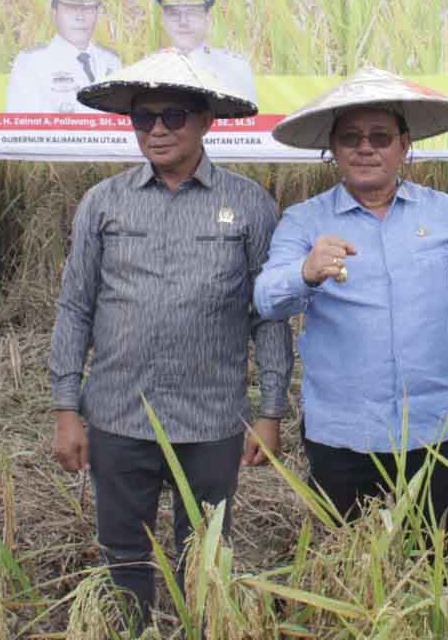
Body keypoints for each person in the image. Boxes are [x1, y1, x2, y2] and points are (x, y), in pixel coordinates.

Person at [51, 50, 290, 626]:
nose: (157, 130)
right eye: (144, 118)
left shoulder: (249, 203)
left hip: (210, 420)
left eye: (173, 116)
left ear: (206, 121)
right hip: (118, 413)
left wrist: (271, 411)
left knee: (204, 556)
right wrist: (65, 408)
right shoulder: (104, 202)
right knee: (123, 553)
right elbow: (76, 306)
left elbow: (269, 315)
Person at [254, 67, 448, 544]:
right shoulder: (305, 221)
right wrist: (305, 272)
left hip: (436, 428)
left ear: (404, 145)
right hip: (342, 433)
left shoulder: (445, 213)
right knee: (344, 562)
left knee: (446, 561)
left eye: (380, 137)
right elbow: (266, 299)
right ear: (333, 149)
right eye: (351, 138)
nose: (365, 148)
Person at [5, 0, 121, 113]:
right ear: (54, 12)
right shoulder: (32, 62)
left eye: (88, 8)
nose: (80, 17)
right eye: (71, 8)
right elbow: (21, 122)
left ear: (97, 12)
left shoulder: (111, 61)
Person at [154, 0, 257, 102]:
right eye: (174, 13)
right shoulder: (149, 68)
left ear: (208, 18)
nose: (183, 21)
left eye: (192, 13)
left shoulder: (235, 68)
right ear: (163, 19)